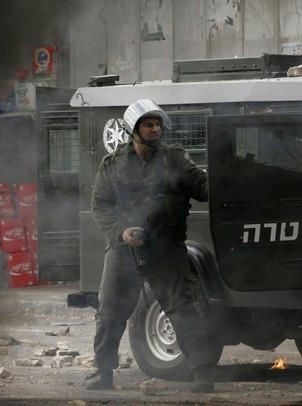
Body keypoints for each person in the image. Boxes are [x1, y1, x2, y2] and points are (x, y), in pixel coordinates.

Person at [85, 99, 216, 392]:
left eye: (157, 124)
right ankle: (103, 373)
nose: (155, 129)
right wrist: (121, 233)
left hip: (166, 248)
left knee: (183, 307)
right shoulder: (112, 164)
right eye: (148, 124)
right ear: (134, 129)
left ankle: (203, 374)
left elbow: (203, 188)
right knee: (109, 309)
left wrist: (224, 174)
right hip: (125, 249)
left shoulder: (176, 160)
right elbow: (100, 206)